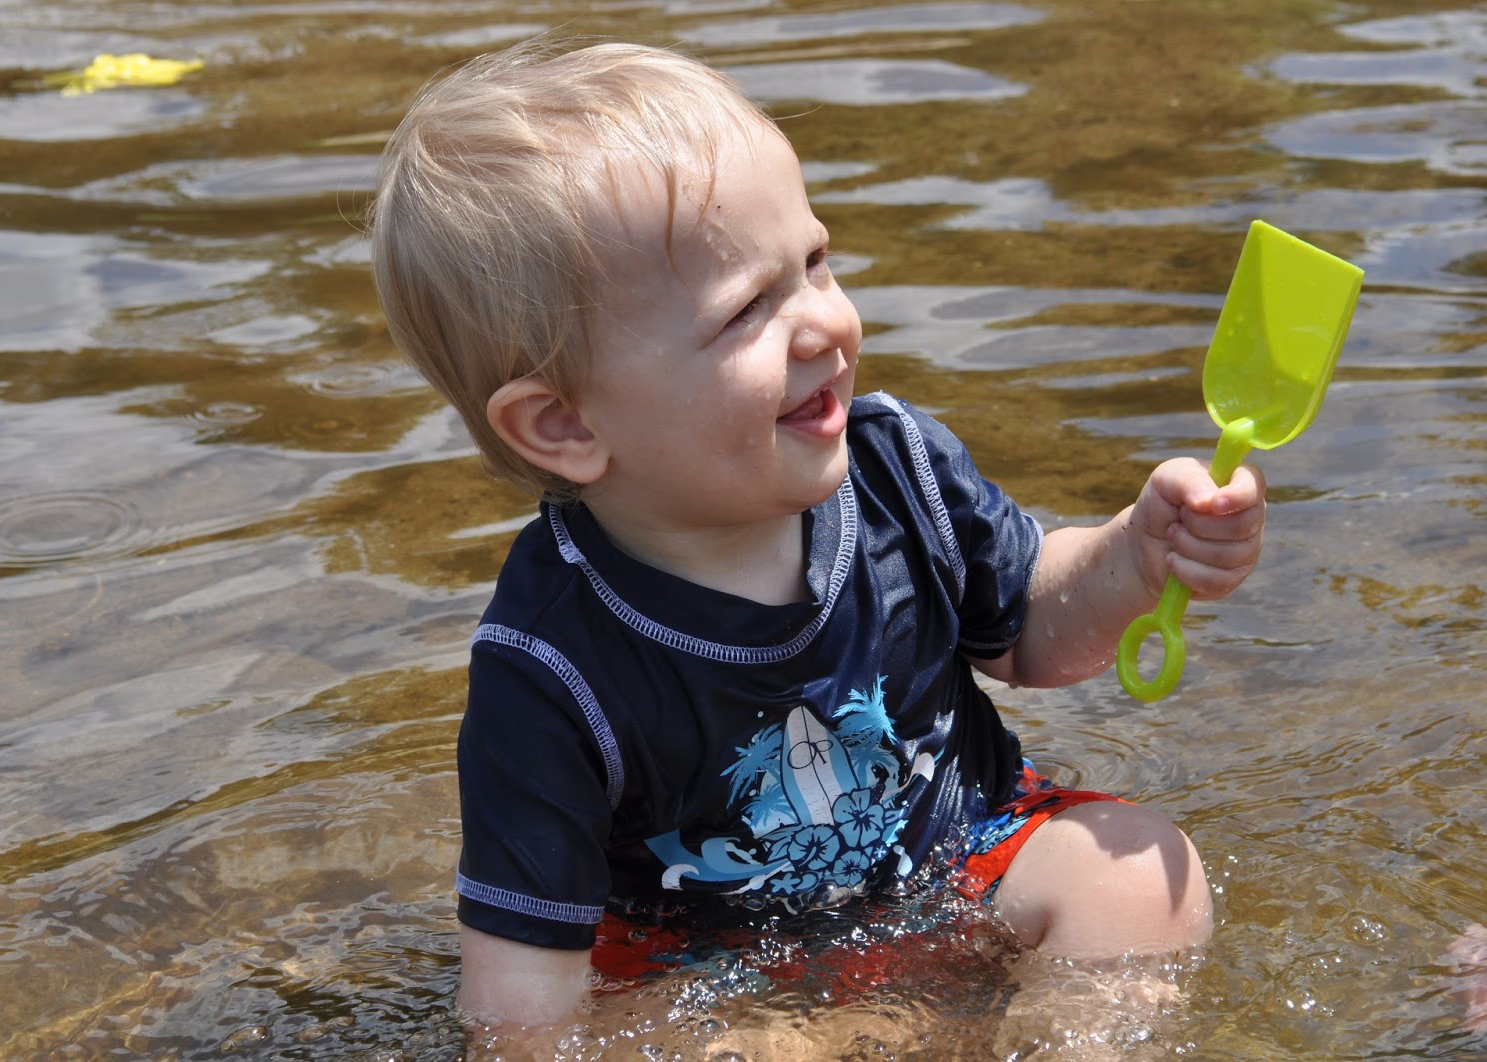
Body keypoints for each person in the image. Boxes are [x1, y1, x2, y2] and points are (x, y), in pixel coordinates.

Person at [369, 39, 1264, 1037]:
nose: (824, 326)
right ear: (565, 425)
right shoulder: (546, 668)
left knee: (1140, 878)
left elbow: (1033, 636)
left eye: (813, 261)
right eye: (749, 308)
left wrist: (1134, 559)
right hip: (719, 964)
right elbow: (520, 1004)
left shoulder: (897, 469)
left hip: (957, 867)